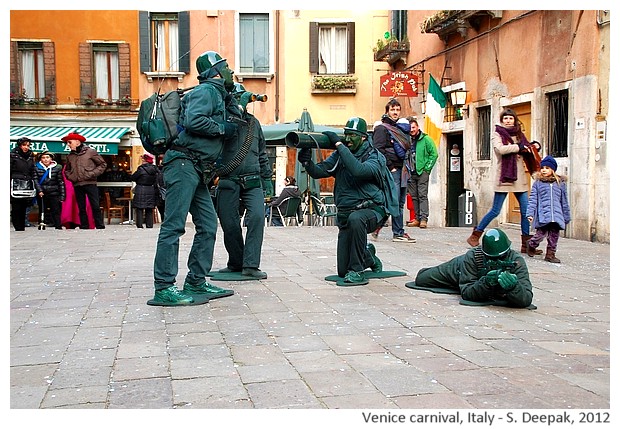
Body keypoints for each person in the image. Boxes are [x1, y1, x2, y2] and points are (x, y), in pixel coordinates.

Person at [148, 50, 238, 306]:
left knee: (208, 225)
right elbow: (194, 120)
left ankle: (197, 280)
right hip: (184, 164)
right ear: (217, 72)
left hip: (197, 168)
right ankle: (164, 287)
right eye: (227, 67)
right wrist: (222, 128)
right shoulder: (207, 91)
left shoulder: (218, 94)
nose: (231, 71)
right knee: (174, 225)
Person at [298, 117, 399, 285]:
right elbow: (320, 172)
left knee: (356, 219)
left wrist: (339, 145)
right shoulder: (341, 154)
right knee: (342, 270)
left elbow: (358, 170)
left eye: (352, 135)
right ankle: (369, 257)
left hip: (373, 211)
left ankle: (358, 270)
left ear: (364, 137)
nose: (348, 139)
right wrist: (307, 162)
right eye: (346, 135)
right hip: (346, 215)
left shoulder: (375, 157)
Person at [215, 82, 274, 279]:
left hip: (253, 179)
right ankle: (236, 262)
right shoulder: (222, 120)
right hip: (228, 179)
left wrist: (267, 179)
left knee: (257, 217)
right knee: (229, 222)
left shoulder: (254, 123)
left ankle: (251, 265)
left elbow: (262, 153)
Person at [466, 108, 541, 255]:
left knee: (526, 211)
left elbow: (525, 147)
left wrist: (533, 146)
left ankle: (527, 244)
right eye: (505, 118)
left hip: (519, 176)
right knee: (495, 210)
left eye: (510, 118)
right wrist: (518, 147)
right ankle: (475, 235)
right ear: (502, 120)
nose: (508, 121)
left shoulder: (519, 134)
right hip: (504, 176)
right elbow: (500, 149)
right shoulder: (497, 134)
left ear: (514, 120)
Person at [413, 228, 533, 308]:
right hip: (458, 268)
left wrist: (514, 288)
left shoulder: (516, 261)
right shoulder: (473, 257)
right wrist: (486, 282)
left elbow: (526, 298)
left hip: (473, 277)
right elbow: (466, 293)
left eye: (501, 257)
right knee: (422, 279)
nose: (497, 261)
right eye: (492, 258)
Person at [370, 99, 415, 242]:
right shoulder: (382, 129)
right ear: (387, 111)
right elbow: (378, 149)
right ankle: (397, 232)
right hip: (393, 169)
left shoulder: (400, 128)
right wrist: (390, 166)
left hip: (403, 169)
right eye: (392, 110)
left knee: (399, 202)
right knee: (394, 200)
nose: (395, 112)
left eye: (397, 110)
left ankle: (384, 228)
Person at [526, 155, 571, 263]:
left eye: (547, 168)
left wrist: (566, 216)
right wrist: (530, 213)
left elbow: (564, 201)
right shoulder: (538, 183)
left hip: (557, 215)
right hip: (543, 214)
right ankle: (531, 244)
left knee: (554, 235)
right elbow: (533, 199)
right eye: (542, 168)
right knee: (540, 234)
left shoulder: (560, 183)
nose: (544, 170)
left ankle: (550, 254)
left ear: (553, 169)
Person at [62, 132, 107, 229]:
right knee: (81, 207)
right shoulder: (70, 156)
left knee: (95, 205)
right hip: (77, 184)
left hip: (90, 182)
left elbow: (102, 164)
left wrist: (91, 174)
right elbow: (67, 170)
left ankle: (100, 225)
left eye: (70, 142)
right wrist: (72, 177)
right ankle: (84, 226)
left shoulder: (91, 152)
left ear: (77, 142)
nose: (68, 145)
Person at [405, 116, 438, 228]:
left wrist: (427, 169)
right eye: (410, 128)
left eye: (413, 127)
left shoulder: (426, 139)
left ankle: (424, 219)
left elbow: (434, 154)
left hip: (422, 171)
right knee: (414, 196)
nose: (412, 130)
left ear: (418, 127)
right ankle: (417, 218)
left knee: (422, 195)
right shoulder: (407, 139)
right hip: (411, 171)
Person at [10, 137, 37, 231]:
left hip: (27, 183)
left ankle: (21, 225)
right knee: (16, 206)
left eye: (28, 145)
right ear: (20, 145)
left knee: (24, 205)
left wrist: (33, 181)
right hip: (16, 182)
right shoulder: (12, 155)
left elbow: (33, 170)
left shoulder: (30, 156)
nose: (26, 147)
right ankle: (17, 225)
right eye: (24, 145)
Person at [34, 151, 66, 229]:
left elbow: (60, 182)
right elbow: (35, 180)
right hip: (42, 192)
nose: (45, 159)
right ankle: (42, 224)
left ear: (51, 159)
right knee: (42, 209)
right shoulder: (36, 167)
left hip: (54, 192)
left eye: (47, 157)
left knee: (56, 210)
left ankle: (57, 225)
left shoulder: (57, 168)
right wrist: (39, 190)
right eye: (43, 158)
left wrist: (62, 195)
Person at [130, 153, 160, 229]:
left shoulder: (141, 169)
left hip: (141, 189)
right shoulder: (155, 169)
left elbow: (133, 177)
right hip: (151, 189)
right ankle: (149, 225)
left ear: (145, 161)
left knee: (139, 208)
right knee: (149, 208)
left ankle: (139, 225)